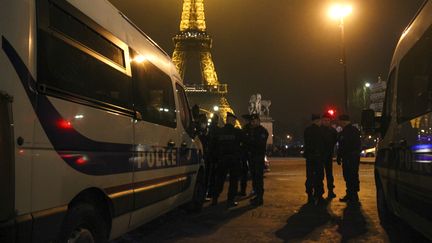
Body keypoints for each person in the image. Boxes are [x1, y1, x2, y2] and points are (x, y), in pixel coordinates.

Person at [212, 112, 243, 207]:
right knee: (233, 181)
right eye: (234, 120)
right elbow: (242, 145)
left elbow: (215, 146)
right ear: (232, 120)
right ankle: (230, 200)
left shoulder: (219, 132)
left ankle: (215, 198)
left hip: (222, 159)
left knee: (220, 179)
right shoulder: (237, 132)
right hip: (234, 159)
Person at [337, 114, 361, 203]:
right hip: (351, 157)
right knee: (350, 176)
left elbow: (343, 145)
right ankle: (351, 194)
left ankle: (353, 195)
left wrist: (340, 156)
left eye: (340, 121)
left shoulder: (348, 131)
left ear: (343, 121)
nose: (339, 123)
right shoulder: (352, 130)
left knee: (351, 176)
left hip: (350, 157)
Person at [247, 114, 269, 206]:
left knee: (259, 178)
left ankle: (260, 197)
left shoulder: (262, 131)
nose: (253, 122)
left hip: (258, 157)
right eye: (252, 121)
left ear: (258, 121)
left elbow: (260, 143)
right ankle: (257, 195)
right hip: (252, 157)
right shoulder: (252, 130)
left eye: (254, 121)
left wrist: (250, 142)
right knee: (255, 178)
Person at [303, 114, 325, 204]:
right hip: (318, 157)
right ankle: (318, 195)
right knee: (319, 177)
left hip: (309, 157)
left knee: (309, 176)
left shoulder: (307, 130)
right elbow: (323, 144)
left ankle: (309, 194)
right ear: (318, 121)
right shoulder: (321, 131)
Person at [320, 113, 338, 198]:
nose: (326, 122)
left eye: (328, 120)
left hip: (328, 154)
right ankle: (320, 191)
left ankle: (330, 190)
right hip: (320, 155)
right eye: (325, 120)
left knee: (329, 174)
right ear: (322, 121)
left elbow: (335, 140)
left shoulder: (332, 131)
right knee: (320, 174)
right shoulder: (320, 130)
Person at [239, 114, 252, 197]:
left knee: (243, 172)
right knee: (252, 172)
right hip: (250, 153)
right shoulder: (251, 128)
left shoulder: (246, 128)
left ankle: (243, 190)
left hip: (245, 152)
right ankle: (254, 190)